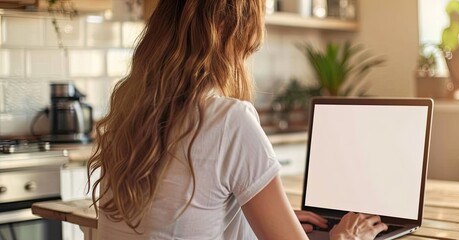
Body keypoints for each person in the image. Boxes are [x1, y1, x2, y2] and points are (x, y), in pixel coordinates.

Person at [87, 0, 388, 239]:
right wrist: (348, 238)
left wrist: (265, 218)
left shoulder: (128, 116)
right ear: (226, 31)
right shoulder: (229, 120)